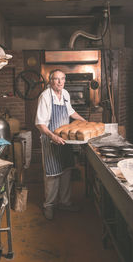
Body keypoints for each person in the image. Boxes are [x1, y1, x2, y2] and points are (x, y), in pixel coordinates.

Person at [35, 69, 86, 220]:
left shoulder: (65, 94)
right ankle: (49, 206)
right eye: (56, 79)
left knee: (66, 170)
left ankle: (65, 202)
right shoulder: (45, 96)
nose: (60, 82)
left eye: (62, 79)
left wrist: (85, 121)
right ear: (50, 81)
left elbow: (71, 112)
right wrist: (52, 136)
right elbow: (39, 124)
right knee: (52, 174)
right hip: (50, 140)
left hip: (65, 140)